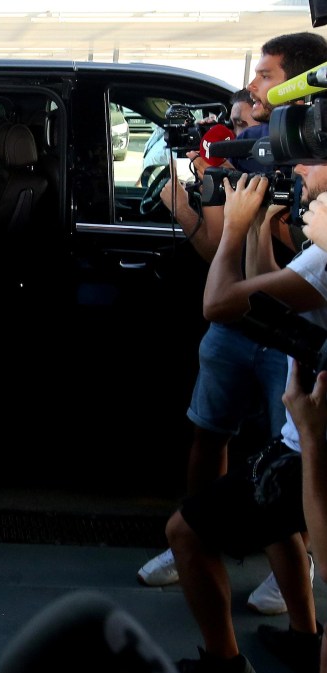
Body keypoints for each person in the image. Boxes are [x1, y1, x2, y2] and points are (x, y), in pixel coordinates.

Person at [138, 33, 327, 618]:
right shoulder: (257, 144)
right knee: (214, 435)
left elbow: (223, 270)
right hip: (254, 320)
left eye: (265, 76)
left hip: (294, 341)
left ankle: (299, 574)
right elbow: (247, 269)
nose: (250, 88)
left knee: (292, 464)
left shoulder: (300, 161)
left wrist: (191, 208)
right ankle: (209, 538)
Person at [166, 164, 327, 673]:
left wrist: (233, 227)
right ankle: (305, 638)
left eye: (309, 153)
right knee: (277, 518)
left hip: (310, 442)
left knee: (185, 533)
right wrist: (260, 224)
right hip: (302, 436)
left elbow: (219, 303)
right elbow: (269, 288)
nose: (297, 166)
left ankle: (223, 662)